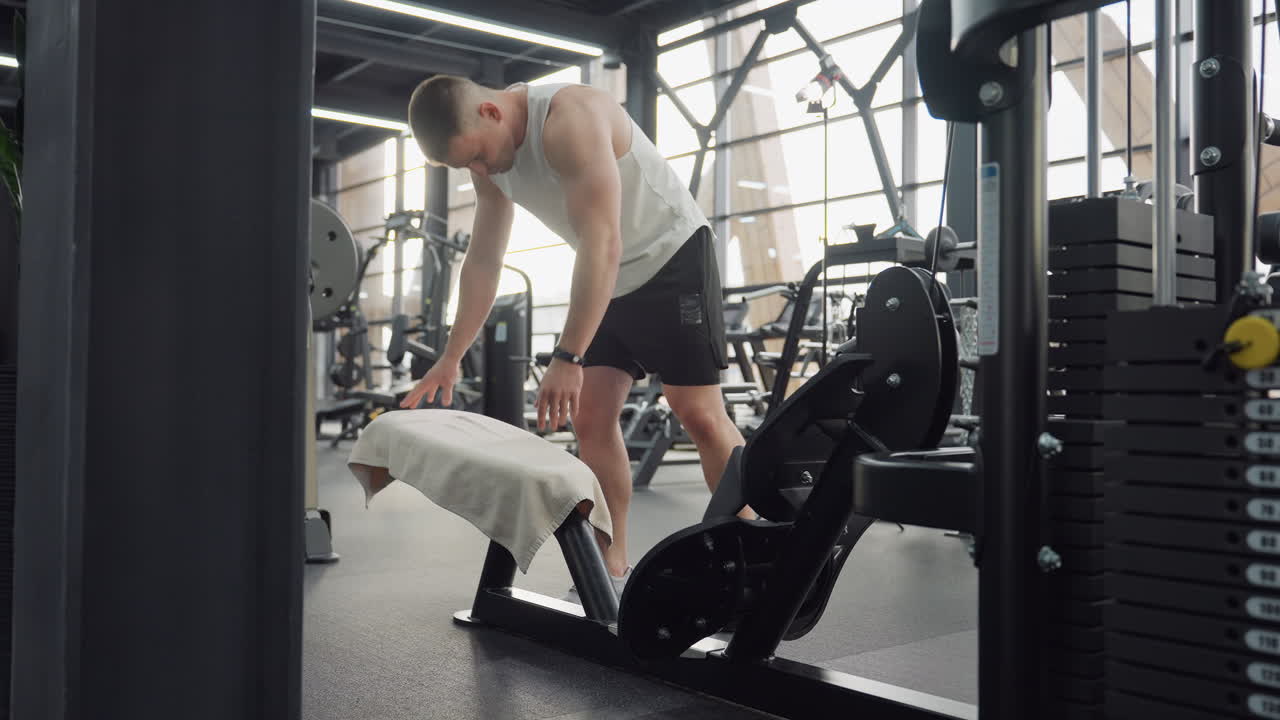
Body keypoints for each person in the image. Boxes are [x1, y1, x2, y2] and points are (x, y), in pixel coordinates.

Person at [399, 74, 747, 588]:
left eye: (475, 156)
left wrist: (568, 356)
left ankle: (755, 553)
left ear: (492, 113)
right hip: (606, 274)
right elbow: (484, 259)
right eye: (464, 166)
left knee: (696, 412)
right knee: (590, 419)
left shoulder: (570, 118)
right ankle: (612, 557)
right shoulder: (487, 160)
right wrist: (451, 356)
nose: (477, 170)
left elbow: (603, 239)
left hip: (670, 258)